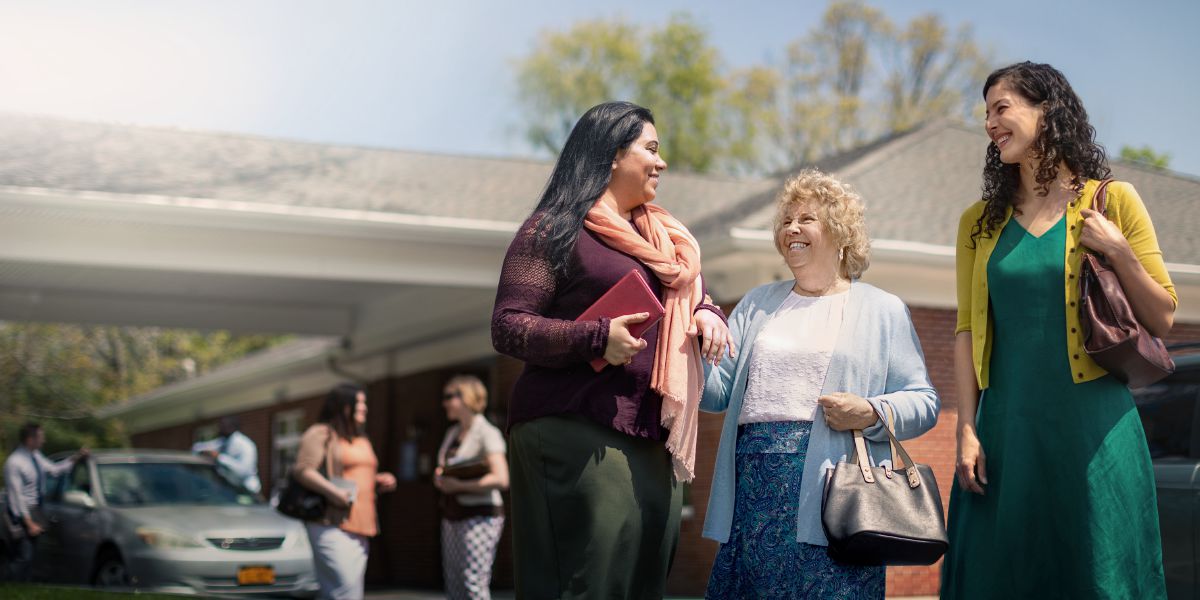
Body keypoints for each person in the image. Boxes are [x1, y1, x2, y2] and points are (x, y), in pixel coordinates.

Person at [941, 62, 1174, 599]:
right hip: (1006, 431)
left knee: (1098, 575)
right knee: (1000, 578)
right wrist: (967, 429)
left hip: (1093, 430)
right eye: (985, 113)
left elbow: (1162, 315)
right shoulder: (978, 223)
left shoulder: (1114, 200)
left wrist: (1117, 251)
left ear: (1047, 111)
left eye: (1002, 108)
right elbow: (966, 330)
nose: (990, 123)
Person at [491, 100, 734, 598]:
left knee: (644, 584)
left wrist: (708, 310)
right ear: (611, 155)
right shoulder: (552, 229)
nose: (661, 163)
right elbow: (509, 327)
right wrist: (597, 337)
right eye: (651, 148)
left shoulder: (665, 239)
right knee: (588, 583)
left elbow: (691, 293)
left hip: (651, 433)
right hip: (574, 429)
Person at [700, 170, 940, 598]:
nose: (791, 228)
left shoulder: (882, 311)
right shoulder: (756, 304)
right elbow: (717, 393)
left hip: (836, 499)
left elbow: (923, 402)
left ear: (840, 231)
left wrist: (870, 412)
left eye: (806, 218)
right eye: (786, 220)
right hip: (751, 497)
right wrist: (688, 345)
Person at [293, 383, 397, 600]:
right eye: (359, 403)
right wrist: (334, 493)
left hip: (362, 526)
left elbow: (357, 474)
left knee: (346, 592)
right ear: (343, 406)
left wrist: (378, 480)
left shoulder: (361, 438)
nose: (364, 408)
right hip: (331, 523)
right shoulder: (321, 433)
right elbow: (303, 470)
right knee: (344, 591)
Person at [433, 375, 508, 600]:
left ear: (466, 398)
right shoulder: (452, 433)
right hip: (452, 513)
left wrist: (459, 485)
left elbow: (501, 478)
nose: (444, 403)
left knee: (472, 583)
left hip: (480, 515)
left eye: (449, 397)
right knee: (454, 584)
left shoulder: (487, 432)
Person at [2, 422, 87, 582]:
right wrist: (29, 523)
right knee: (22, 557)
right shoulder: (14, 463)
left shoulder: (36, 457)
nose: (44, 440)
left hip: (35, 511)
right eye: (41, 437)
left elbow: (55, 470)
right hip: (20, 515)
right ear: (30, 439)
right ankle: (9, 589)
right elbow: (16, 497)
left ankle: (22, 590)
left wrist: (77, 457)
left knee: (30, 558)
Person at [192, 415, 261, 494]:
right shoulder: (223, 442)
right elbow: (197, 447)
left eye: (223, 425)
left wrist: (219, 457)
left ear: (231, 427)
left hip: (247, 491)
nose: (219, 428)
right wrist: (204, 451)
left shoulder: (246, 445)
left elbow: (243, 471)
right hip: (230, 491)